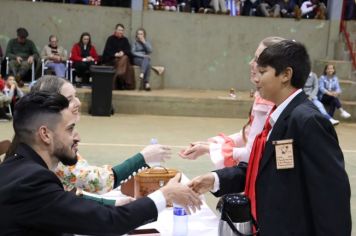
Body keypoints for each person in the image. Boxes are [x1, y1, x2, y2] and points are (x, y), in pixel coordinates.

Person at [188, 40, 351, 235]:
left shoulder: (307, 121)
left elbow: (332, 197)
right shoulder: (279, 116)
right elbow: (263, 169)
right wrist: (215, 179)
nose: (257, 79)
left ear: (285, 75)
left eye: (263, 72)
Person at [0, 91, 202, 235]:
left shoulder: (16, 168)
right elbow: (109, 222)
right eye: (70, 129)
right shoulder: (33, 181)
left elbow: (72, 208)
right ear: (45, 134)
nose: (76, 137)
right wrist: (165, 194)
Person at [5, 75, 171, 195]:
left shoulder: (35, 140)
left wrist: (110, 203)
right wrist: (143, 157)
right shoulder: (51, 149)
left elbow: (72, 192)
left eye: (75, 96)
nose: (78, 102)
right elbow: (100, 182)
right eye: (70, 99)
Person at [179, 37, 283, 169]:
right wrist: (213, 143)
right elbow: (248, 135)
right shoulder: (266, 96)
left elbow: (252, 154)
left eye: (258, 60)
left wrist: (209, 148)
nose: (251, 63)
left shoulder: (267, 101)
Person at [102, 23, 135, 90]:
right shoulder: (110, 39)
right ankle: (123, 80)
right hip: (112, 59)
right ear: (115, 30)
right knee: (126, 61)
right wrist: (115, 54)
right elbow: (107, 51)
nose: (120, 32)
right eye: (119, 30)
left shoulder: (125, 40)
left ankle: (120, 75)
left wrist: (123, 52)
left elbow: (128, 51)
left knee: (125, 58)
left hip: (122, 60)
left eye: (122, 30)